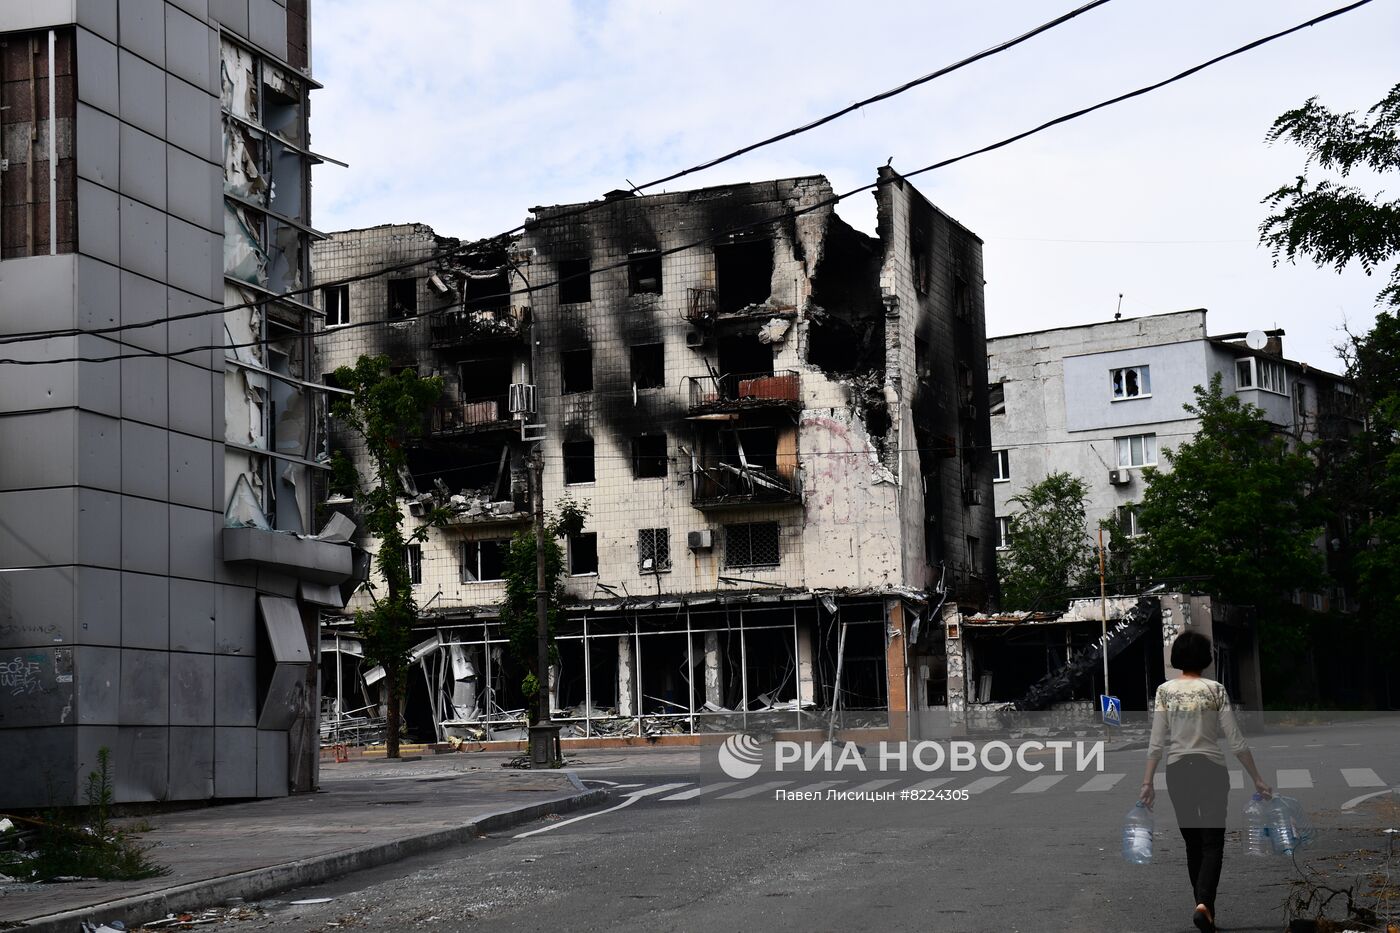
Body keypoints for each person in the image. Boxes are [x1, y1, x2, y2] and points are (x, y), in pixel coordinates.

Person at [1139, 631, 1272, 933]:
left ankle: (1204, 907)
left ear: (1176, 657)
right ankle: (1204, 905)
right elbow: (1236, 741)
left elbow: (1156, 743)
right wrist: (1257, 779)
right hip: (1211, 768)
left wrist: (1147, 782)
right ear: (1205, 658)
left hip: (1177, 772)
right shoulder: (1215, 690)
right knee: (1213, 842)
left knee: (1192, 843)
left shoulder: (1164, 692)